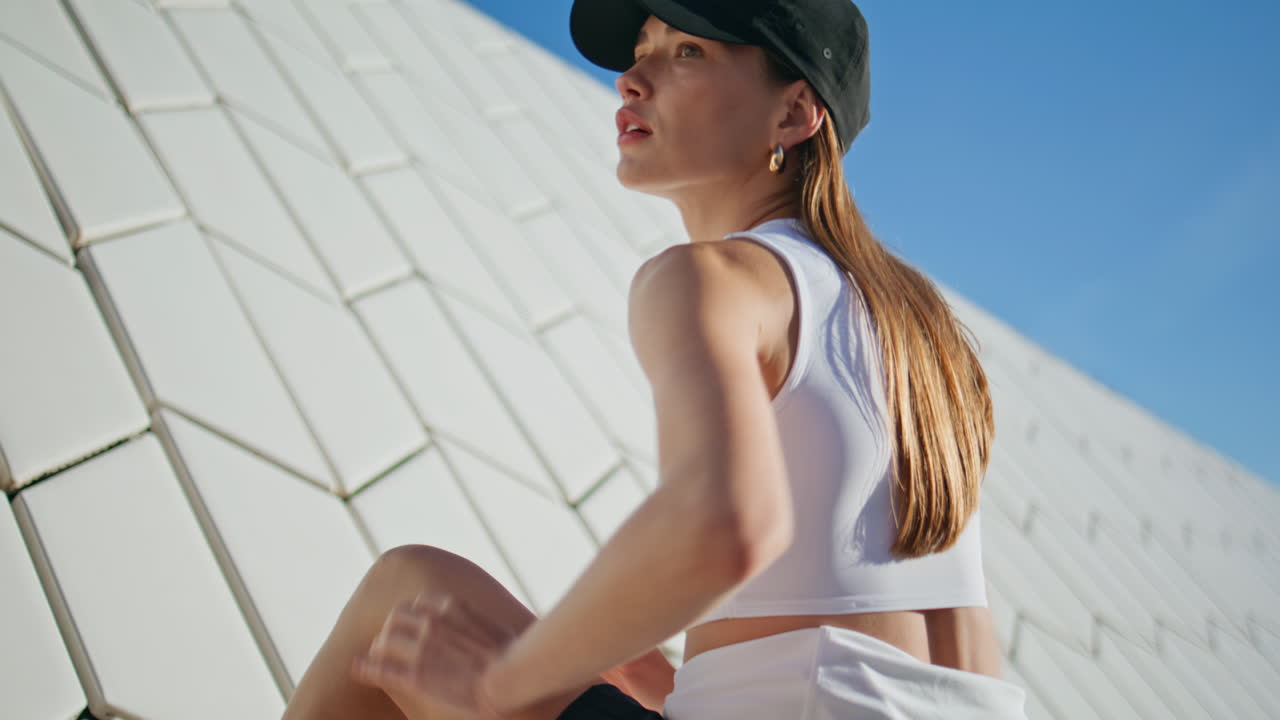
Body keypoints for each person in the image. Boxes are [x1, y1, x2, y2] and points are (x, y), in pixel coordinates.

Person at [281, 1, 1030, 718]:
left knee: (407, 598)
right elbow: (873, 647)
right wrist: (673, 682)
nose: (632, 80)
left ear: (795, 114)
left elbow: (729, 528)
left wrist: (500, 686)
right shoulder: (923, 335)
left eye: (687, 51)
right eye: (642, 51)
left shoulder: (709, 279)